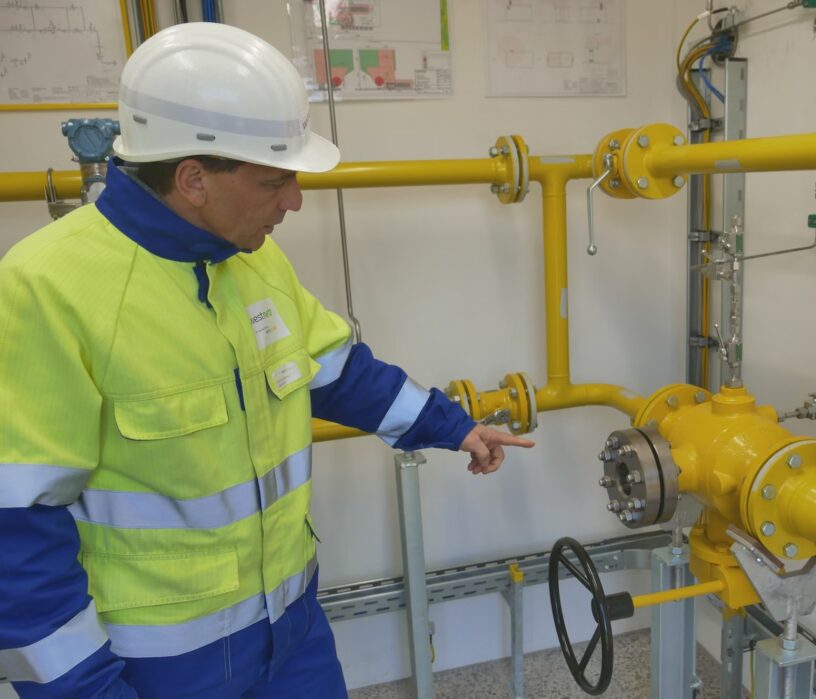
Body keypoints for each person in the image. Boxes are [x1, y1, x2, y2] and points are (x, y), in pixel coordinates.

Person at [0, 22, 533, 699]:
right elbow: (16, 529)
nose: (294, 201)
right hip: (161, 666)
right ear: (193, 178)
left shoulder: (251, 255)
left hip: (292, 633)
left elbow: (332, 369)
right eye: (276, 181)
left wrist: (450, 425)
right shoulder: (47, 289)